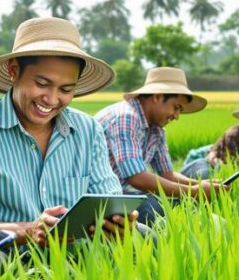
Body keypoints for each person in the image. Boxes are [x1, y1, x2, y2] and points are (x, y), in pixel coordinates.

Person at [0, 17, 138, 256]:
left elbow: (109, 200)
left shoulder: (88, 130)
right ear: (14, 71)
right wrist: (28, 231)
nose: (52, 100)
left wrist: (118, 222)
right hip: (11, 256)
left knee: (145, 237)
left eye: (66, 90)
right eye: (42, 84)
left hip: (76, 251)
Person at [94, 68, 228, 225]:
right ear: (157, 97)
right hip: (99, 197)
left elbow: (167, 174)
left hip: (125, 193)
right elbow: (137, 177)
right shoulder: (127, 117)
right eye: (176, 107)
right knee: (157, 207)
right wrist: (193, 192)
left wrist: (201, 186)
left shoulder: (156, 129)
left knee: (199, 174)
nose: (177, 116)